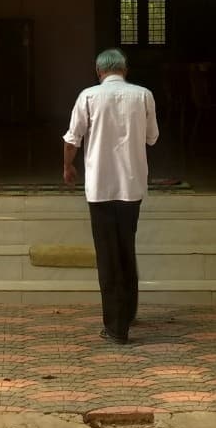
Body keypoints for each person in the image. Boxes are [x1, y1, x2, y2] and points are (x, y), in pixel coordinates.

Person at [62, 48, 159, 345]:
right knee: (126, 247)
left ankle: (116, 327)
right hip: (131, 186)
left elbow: (72, 139)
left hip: (100, 188)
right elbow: (152, 137)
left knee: (108, 255)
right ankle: (127, 313)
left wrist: (68, 166)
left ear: (98, 71)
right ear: (125, 70)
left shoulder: (88, 96)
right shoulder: (143, 95)